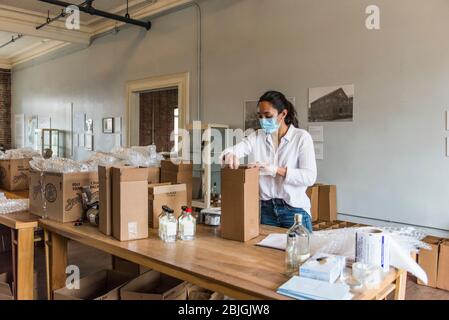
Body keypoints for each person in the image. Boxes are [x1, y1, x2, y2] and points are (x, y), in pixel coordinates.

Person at [222, 91, 317, 232]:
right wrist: (230, 155)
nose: (263, 121)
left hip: (294, 211)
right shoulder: (257, 136)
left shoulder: (301, 138)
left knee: (298, 252)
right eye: (260, 116)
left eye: (268, 116)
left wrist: (276, 170)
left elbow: (309, 177)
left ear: (283, 114)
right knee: (266, 254)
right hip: (266, 210)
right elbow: (234, 150)